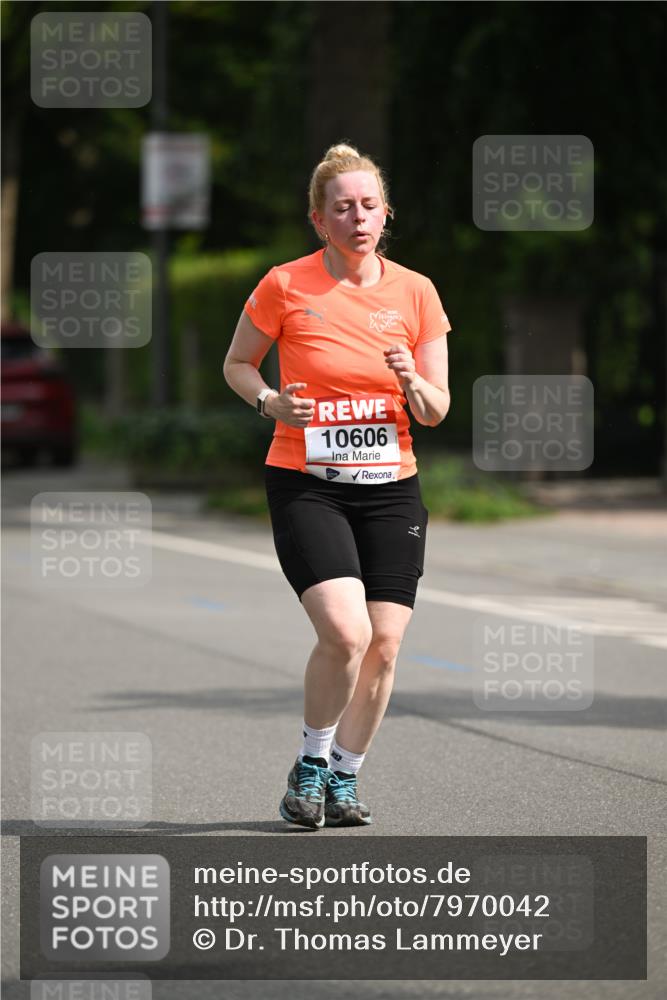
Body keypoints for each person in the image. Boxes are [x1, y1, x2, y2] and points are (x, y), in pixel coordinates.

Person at [223, 142, 452, 830]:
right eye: (343, 208)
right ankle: (312, 763)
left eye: (369, 205)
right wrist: (269, 402)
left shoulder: (415, 292)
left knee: (384, 644)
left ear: (385, 215)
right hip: (306, 484)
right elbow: (238, 363)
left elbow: (436, 409)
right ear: (319, 220)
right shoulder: (284, 285)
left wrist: (413, 383)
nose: (358, 217)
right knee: (347, 634)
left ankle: (345, 777)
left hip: (391, 488)